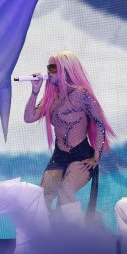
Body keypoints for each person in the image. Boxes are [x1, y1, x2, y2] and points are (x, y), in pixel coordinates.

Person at [24, 51, 115, 223]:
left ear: (65, 70)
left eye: (52, 68)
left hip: (81, 154)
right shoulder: (50, 97)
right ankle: (51, 237)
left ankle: (77, 240)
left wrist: (96, 158)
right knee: (43, 194)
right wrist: (35, 92)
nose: (48, 72)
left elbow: (100, 123)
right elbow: (29, 118)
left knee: (66, 191)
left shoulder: (81, 94)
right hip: (60, 154)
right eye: (48, 68)